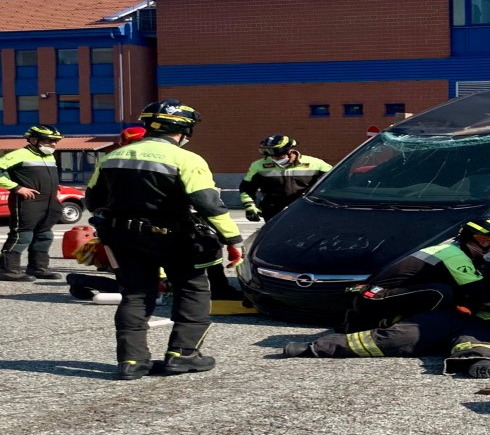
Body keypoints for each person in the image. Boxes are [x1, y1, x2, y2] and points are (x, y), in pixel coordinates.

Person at [85, 99, 243, 380]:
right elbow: (208, 203)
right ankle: (182, 355)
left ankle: (131, 361)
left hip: (123, 237)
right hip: (174, 237)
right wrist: (232, 239)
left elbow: (93, 200)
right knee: (192, 290)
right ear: (184, 131)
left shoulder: (111, 157)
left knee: (135, 294)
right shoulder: (187, 159)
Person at [280, 219, 490, 378]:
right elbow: (481, 291)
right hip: (379, 301)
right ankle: (316, 347)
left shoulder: (458, 254)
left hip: (442, 317)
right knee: (434, 303)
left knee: (462, 335)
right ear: (471, 237)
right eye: (486, 242)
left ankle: (483, 362)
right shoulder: (454, 255)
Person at [0, 125, 66, 282]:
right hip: (27, 202)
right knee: (22, 235)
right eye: (49, 141)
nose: (54, 144)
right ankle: (7, 269)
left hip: (49, 203)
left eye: (55, 141)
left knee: (44, 235)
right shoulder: (17, 155)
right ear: (34, 140)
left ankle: (38, 268)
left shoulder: (49, 157)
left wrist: (54, 187)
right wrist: (17, 188)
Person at [239, 135, 332, 222]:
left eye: (276, 153)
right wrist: (249, 205)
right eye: (268, 152)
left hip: (305, 209)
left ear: (289, 151)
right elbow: (246, 188)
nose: (273, 157)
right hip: (273, 211)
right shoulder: (258, 165)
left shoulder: (315, 164)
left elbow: (334, 182)